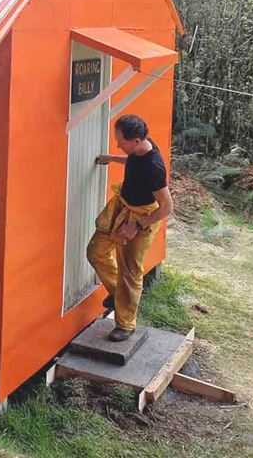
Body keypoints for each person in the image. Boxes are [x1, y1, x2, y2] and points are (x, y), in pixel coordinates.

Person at [87, 114, 174, 342]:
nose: (118, 144)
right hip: (121, 207)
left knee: (130, 272)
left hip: (142, 217)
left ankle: (126, 324)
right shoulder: (139, 148)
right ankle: (118, 294)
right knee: (96, 251)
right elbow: (134, 161)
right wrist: (112, 157)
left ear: (136, 140)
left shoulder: (154, 167)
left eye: (121, 142)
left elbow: (167, 207)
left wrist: (135, 226)